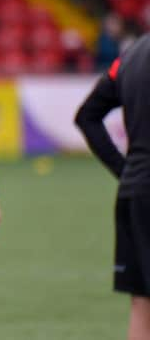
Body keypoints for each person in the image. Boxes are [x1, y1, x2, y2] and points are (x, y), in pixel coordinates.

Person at [75, 33, 150, 340]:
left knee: (142, 306)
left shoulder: (133, 54)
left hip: (136, 193)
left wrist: (126, 170)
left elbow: (87, 116)